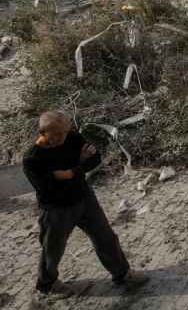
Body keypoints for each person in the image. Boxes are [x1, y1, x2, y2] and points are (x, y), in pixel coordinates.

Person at [22, 110, 147, 296]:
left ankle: (122, 274)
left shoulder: (72, 138)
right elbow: (48, 188)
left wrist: (71, 171)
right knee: (53, 248)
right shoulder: (32, 158)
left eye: (64, 132)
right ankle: (47, 284)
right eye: (55, 134)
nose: (61, 138)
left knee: (105, 237)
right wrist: (78, 165)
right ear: (42, 133)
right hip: (57, 209)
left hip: (84, 198)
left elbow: (94, 160)